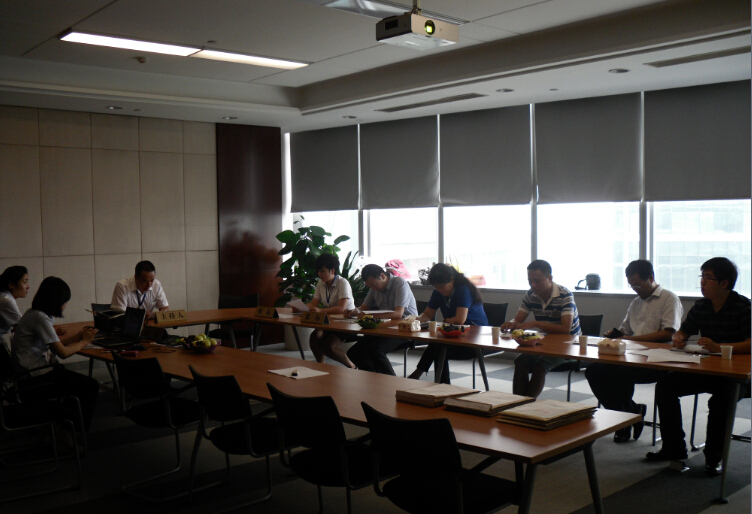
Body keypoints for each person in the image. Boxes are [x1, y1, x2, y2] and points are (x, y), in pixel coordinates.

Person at [647, 258, 750, 476]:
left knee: (721, 400)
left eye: (708, 278)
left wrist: (720, 347)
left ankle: (714, 457)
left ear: (724, 283)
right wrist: (679, 338)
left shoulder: (743, 307)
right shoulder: (702, 306)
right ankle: (674, 448)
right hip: (708, 370)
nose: (702, 282)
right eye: (701, 277)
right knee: (665, 386)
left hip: (737, 376)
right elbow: (683, 332)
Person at [585, 260, 683, 443]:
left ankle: (623, 421)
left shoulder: (669, 298)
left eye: (638, 284)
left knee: (621, 374)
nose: (635, 289)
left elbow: (668, 333)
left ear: (651, 278)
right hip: (632, 355)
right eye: (631, 285)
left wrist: (632, 339)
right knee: (594, 370)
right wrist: (615, 334)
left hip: (658, 358)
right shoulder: (636, 302)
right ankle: (629, 413)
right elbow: (626, 331)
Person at [11, 276, 100, 434]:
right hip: (34, 380)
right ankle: (69, 434)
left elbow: (53, 344)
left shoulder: (33, 313)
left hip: (26, 375)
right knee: (90, 386)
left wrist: (77, 338)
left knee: (79, 384)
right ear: (56, 301)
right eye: (65, 301)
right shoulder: (40, 318)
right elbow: (63, 353)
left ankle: (63, 426)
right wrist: (85, 342)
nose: (65, 305)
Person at [502, 260, 581, 398]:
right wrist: (511, 324)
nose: (533, 285)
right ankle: (518, 403)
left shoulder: (565, 295)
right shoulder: (530, 295)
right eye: (530, 281)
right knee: (520, 361)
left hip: (569, 346)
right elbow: (518, 320)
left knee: (540, 366)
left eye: (537, 281)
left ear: (549, 278)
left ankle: (526, 404)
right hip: (544, 343)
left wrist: (535, 323)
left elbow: (565, 329)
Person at [407, 263, 488, 383]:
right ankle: (439, 384)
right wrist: (416, 320)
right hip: (454, 337)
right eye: (436, 287)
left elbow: (459, 320)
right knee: (437, 347)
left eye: (442, 286)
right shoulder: (438, 293)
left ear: (452, 279)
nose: (440, 290)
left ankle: (422, 375)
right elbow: (428, 314)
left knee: (438, 348)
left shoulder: (463, 289)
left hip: (474, 341)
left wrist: (445, 321)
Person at [345, 264, 418, 375]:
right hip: (385, 327)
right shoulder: (374, 286)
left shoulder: (399, 283)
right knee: (354, 352)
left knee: (376, 350)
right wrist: (354, 312)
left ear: (382, 276)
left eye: (374, 285)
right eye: (370, 286)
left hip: (405, 328)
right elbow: (364, 308)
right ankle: (374, 376)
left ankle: (391, 380)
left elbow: (398, 314)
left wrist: (371, 316)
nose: (373, 289)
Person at [303, 254, 357, 368]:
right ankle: (321, 366)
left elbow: (341, 308)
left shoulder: (342, 283)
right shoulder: (321, 283)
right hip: (329, 321)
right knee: (314, 337)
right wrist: (302, 307)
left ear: (332, 270)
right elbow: (314, 303)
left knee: (328, 346)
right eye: (318, 271)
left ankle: (352, 366)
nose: (319, 274)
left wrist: (320, 310)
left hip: (346, 322)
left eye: (322, 271)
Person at [0, 266, 29, 350]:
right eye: (25, 282)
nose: (28, 286)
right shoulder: (6, 300)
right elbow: (22, 328)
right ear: (11, 284)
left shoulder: (5, 297)